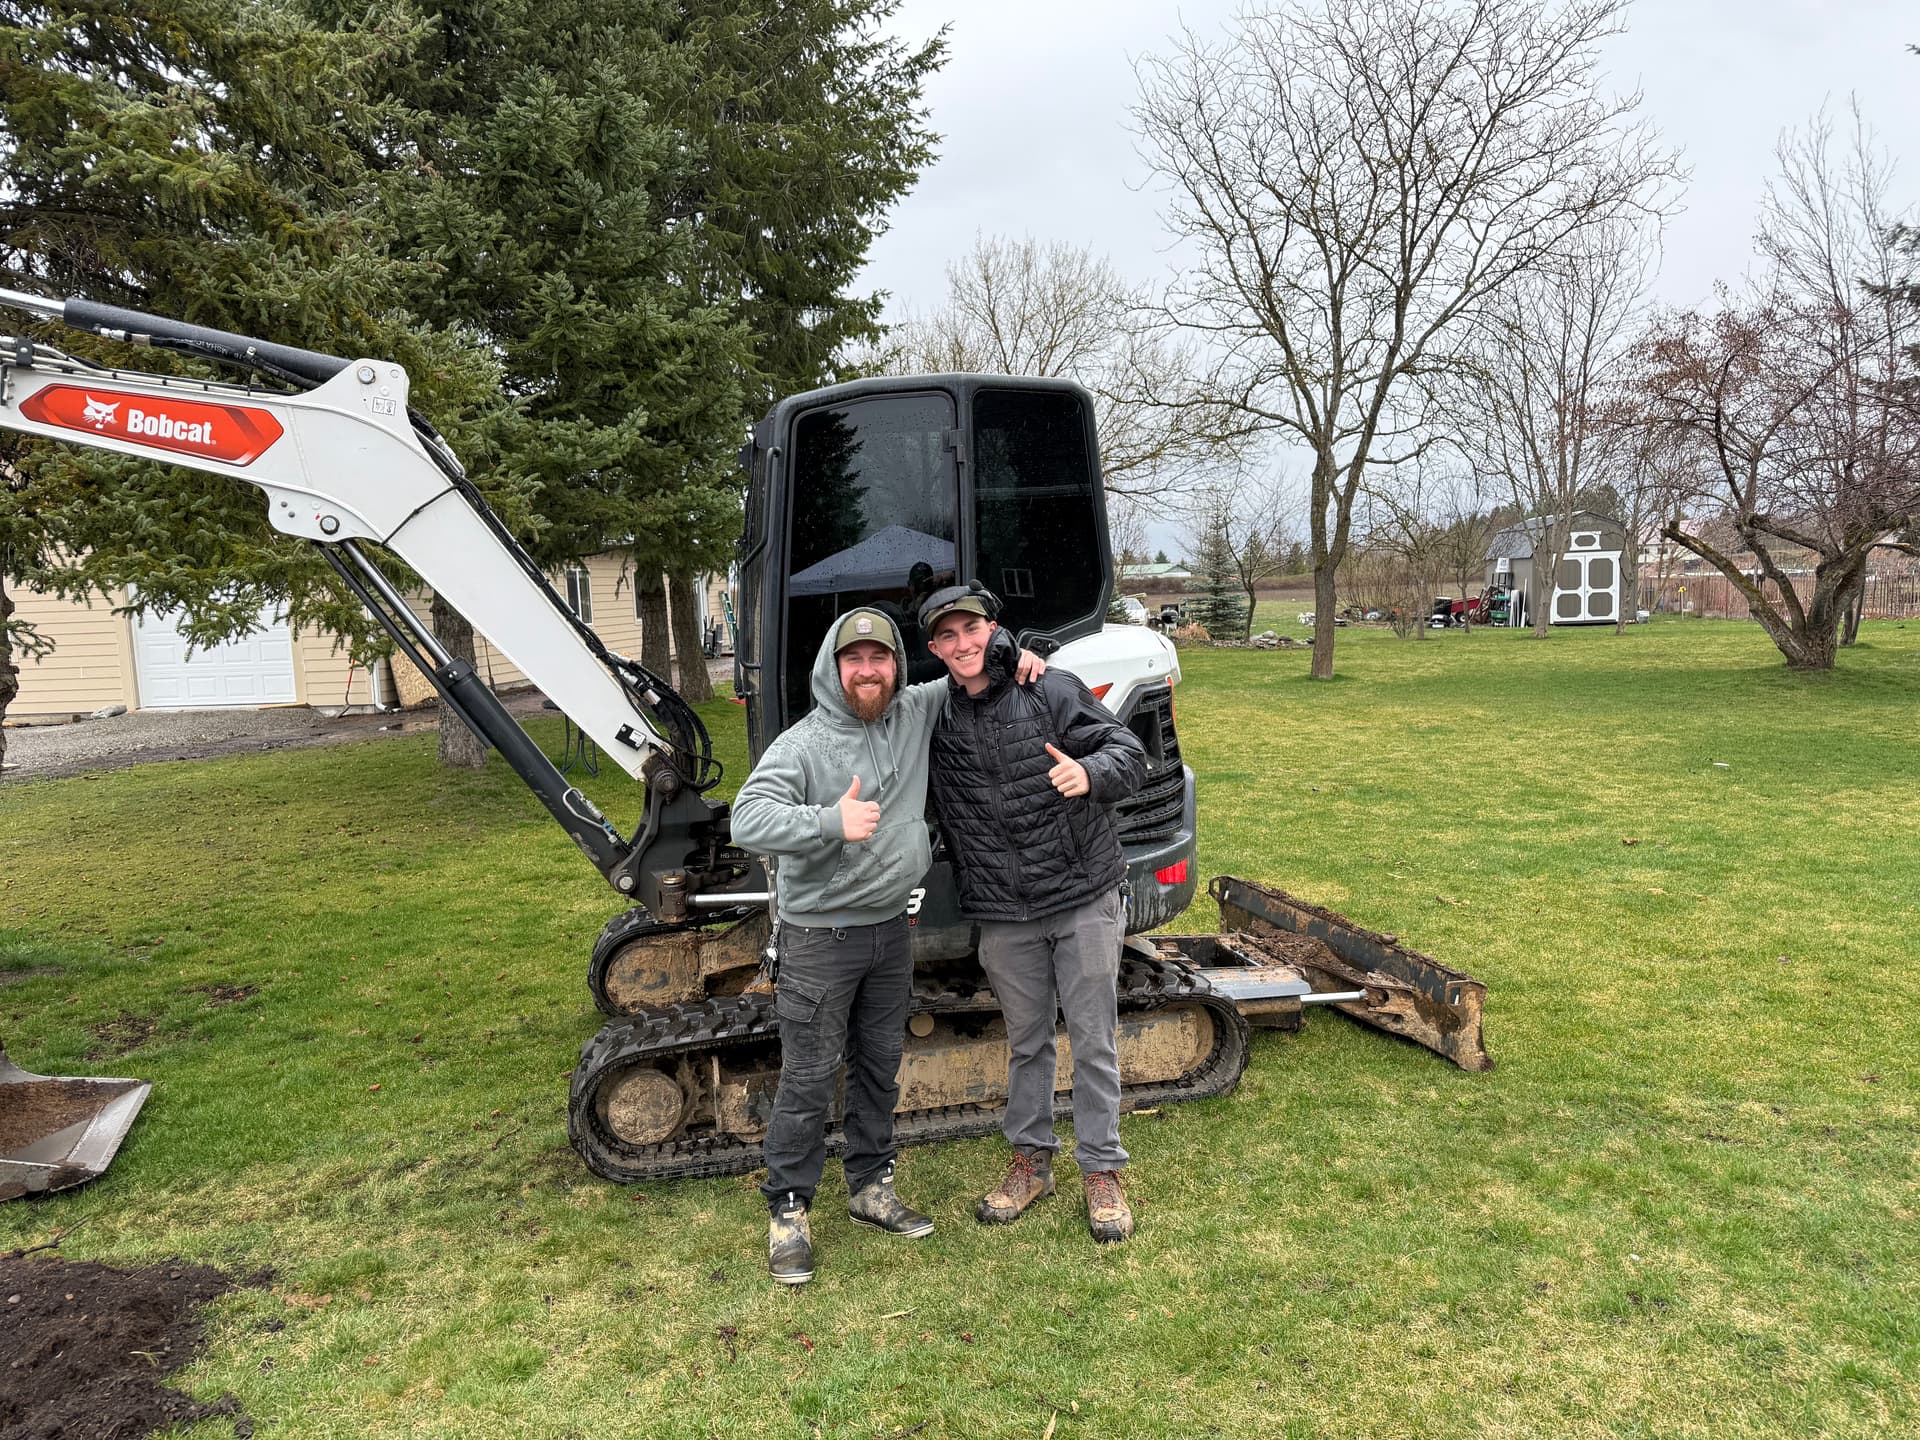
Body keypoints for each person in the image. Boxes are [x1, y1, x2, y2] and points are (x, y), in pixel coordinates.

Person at [730, 606, 1044, 1285]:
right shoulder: (803, 745)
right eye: (854, 661)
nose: (868, 671)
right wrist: (826, 821)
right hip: (821, 940)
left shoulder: (915, 711)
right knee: (811, 1078)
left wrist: (1019, 653)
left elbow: (972, 666)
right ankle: (789, 1209)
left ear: (897, 666)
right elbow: (746, 818)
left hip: (891, 933)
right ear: (834, 668)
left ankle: (871, 1186)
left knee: (878, 1067)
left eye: (880, 659)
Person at [919, 583, 1148, 1243]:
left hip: (1081, 895)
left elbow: (1127, 753)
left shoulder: (1047, 689)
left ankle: (1102, 1169)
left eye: (973, 629)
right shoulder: (935, 718)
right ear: (934, 648)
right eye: (948, 636)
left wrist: (1090, 774)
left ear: (994, 628)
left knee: (1095, 1039)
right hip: (1004, 911)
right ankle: (1031, 1162)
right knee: (1027, 1044)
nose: (964, 645)